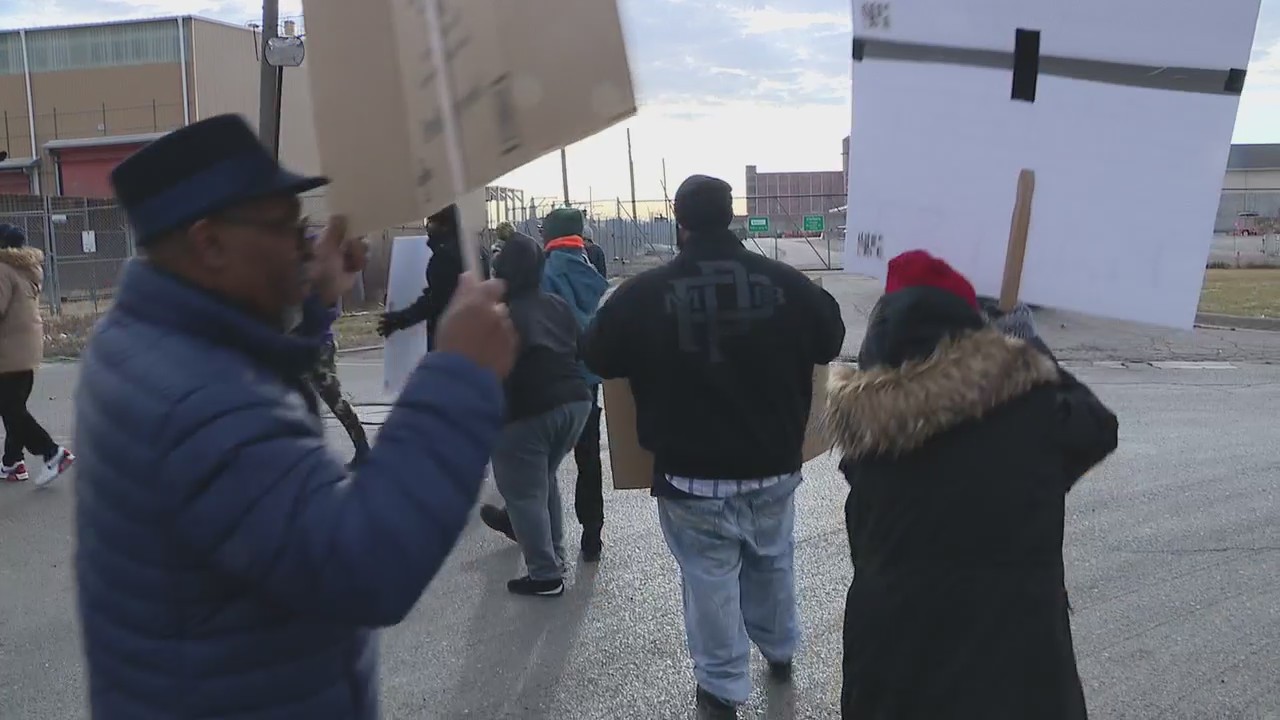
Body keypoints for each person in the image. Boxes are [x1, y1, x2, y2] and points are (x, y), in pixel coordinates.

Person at [74, 114, 516, 719]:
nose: (304, 243)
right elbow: (365, 564)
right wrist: (459, 376)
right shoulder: (197, 404)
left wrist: (311, 300)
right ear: (210, 243)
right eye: (285, 226)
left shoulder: (145, 340)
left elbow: (247, 380)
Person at [583, 175, 846, 718]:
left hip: (690, 473)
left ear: (678, 219)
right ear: (731, 216)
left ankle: (723, 688)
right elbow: (831, 339)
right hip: (773, 463)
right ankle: (779, 648)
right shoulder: (787, 283)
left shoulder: (643, 294)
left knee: (709, 579)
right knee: (772, 559)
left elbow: (597, 355)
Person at [825, 250, 1119, 720]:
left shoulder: (866, 435)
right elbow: (1097, 428)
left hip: (892, 668)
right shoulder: (1031, 412)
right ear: (972, 324)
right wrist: (1028, 350)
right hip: (1016, 669)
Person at [481, 208, 611, 560]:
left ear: (550, 234)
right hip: (587, 375)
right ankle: (592, 532)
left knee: (536, 460)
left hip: (552, 374)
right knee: (587, 457)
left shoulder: (547, 270)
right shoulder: (591, 263)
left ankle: (527, 529)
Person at [0, 224, 75, 486]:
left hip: (9, 352)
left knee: (11, 409)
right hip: (26, 349)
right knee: (13, 408)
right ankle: (12, 462)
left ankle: (52, 453)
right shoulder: (28, 268)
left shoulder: (2, 269)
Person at [376, 204, 490, 347]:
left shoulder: (445, 255)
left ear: (444, 226)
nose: (428, 228)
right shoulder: (476, 249)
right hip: (477, 327)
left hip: (452, 332)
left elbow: (436, 300)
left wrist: (402, 318)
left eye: (431, 223)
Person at [301, 300, 372, 468]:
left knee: (333, 398)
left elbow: (331, 311)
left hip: (318, 347)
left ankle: (362, 448)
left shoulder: (315, 289)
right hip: (299, 346)